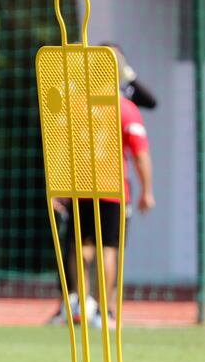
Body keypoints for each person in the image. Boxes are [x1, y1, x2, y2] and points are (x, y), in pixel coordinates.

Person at [49, 44, 155, 328]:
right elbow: (140, 154)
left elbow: (63, 147)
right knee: (108, 250)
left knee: (79, 248)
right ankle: (104, 312)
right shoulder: (125, 108)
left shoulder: (78, 106)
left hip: (80, 186)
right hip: (113, 190)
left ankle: (79, 302)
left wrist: (59, 185)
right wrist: (147, 191)